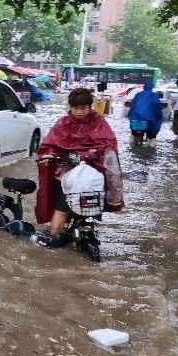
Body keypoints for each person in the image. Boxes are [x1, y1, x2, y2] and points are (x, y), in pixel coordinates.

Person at [35, 88, 124, 241]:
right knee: (61, 208)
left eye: (83, 108)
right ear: (70, 107)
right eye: (75, 108)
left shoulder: (99, 123)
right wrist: (49, 155)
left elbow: (109, 145)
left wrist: (94, 153)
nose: (79, 112)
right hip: (65, 173)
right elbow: (49, 145)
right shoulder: (63, 123)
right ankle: (53, 237)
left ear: (90, 107)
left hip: (90, 173)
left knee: (90, 207)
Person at [127, 80, 163, 146]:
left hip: (136, 118)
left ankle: (132, 141)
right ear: (152, 87)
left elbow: (133, 106)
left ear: (144, 87)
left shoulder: (138, 94)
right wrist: (159, 118)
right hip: (149, 119)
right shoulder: (154, 96)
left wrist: (130, 116)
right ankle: (152, 142)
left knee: (133, 132)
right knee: (153, 132)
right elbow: (157, 109)